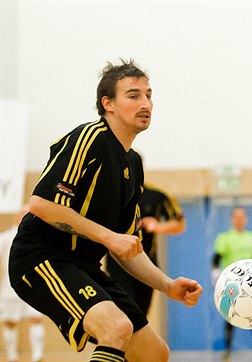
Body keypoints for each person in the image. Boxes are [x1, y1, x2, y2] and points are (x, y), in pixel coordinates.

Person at [8, 59, 203, 362]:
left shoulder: (133, 164)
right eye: (134, 95)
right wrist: (109, 238)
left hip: (85, 267)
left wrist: (168, 285)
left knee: (154, 353)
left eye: (149, 95)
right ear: (108, 103)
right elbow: (42, 204)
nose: (145, 103)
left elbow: (128, 247)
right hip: (41, 258)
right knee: (116, 328)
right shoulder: (90, 139)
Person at [106, 183, 186, 315]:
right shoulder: (111, 194)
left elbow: (179, 223)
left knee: (141, 314)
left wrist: (158, 226)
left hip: (147, 264)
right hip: (117, 265)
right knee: (125, 312)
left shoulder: (156, 196)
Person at [211, 207, 252, 361]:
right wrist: (215, 272)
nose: (239, 219)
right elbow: (216, 257)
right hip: (232, 283)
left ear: (246, 219)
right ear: (232, 219)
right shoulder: (224, 237)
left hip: (249, 282)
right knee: (230, 315)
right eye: (236, 217)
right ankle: (228, 351)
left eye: (242, 217)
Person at [1, 205, 45, 362]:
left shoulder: (40, 238)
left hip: (34, 287)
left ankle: (37, 356)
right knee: (10, 322)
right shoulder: (5, 237)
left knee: (36, 319)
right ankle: (12, 356)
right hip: (10, 288)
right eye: (23, 214)